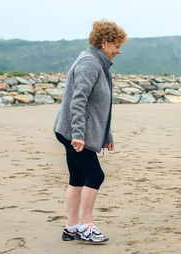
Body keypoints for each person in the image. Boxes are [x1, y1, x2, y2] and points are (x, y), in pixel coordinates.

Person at [53, 19, 126, 243]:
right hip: (73, 130)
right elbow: (78, 100)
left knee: (78, 177)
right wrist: (78, 134)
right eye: (116, 46)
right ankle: (85, 225)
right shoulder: (90, 63)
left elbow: (101, 105)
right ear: (104, 43)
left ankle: (71, 227)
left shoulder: (98, 62)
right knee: (95, 175)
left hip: (72, 129)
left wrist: (107, 135)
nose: (119, 51)